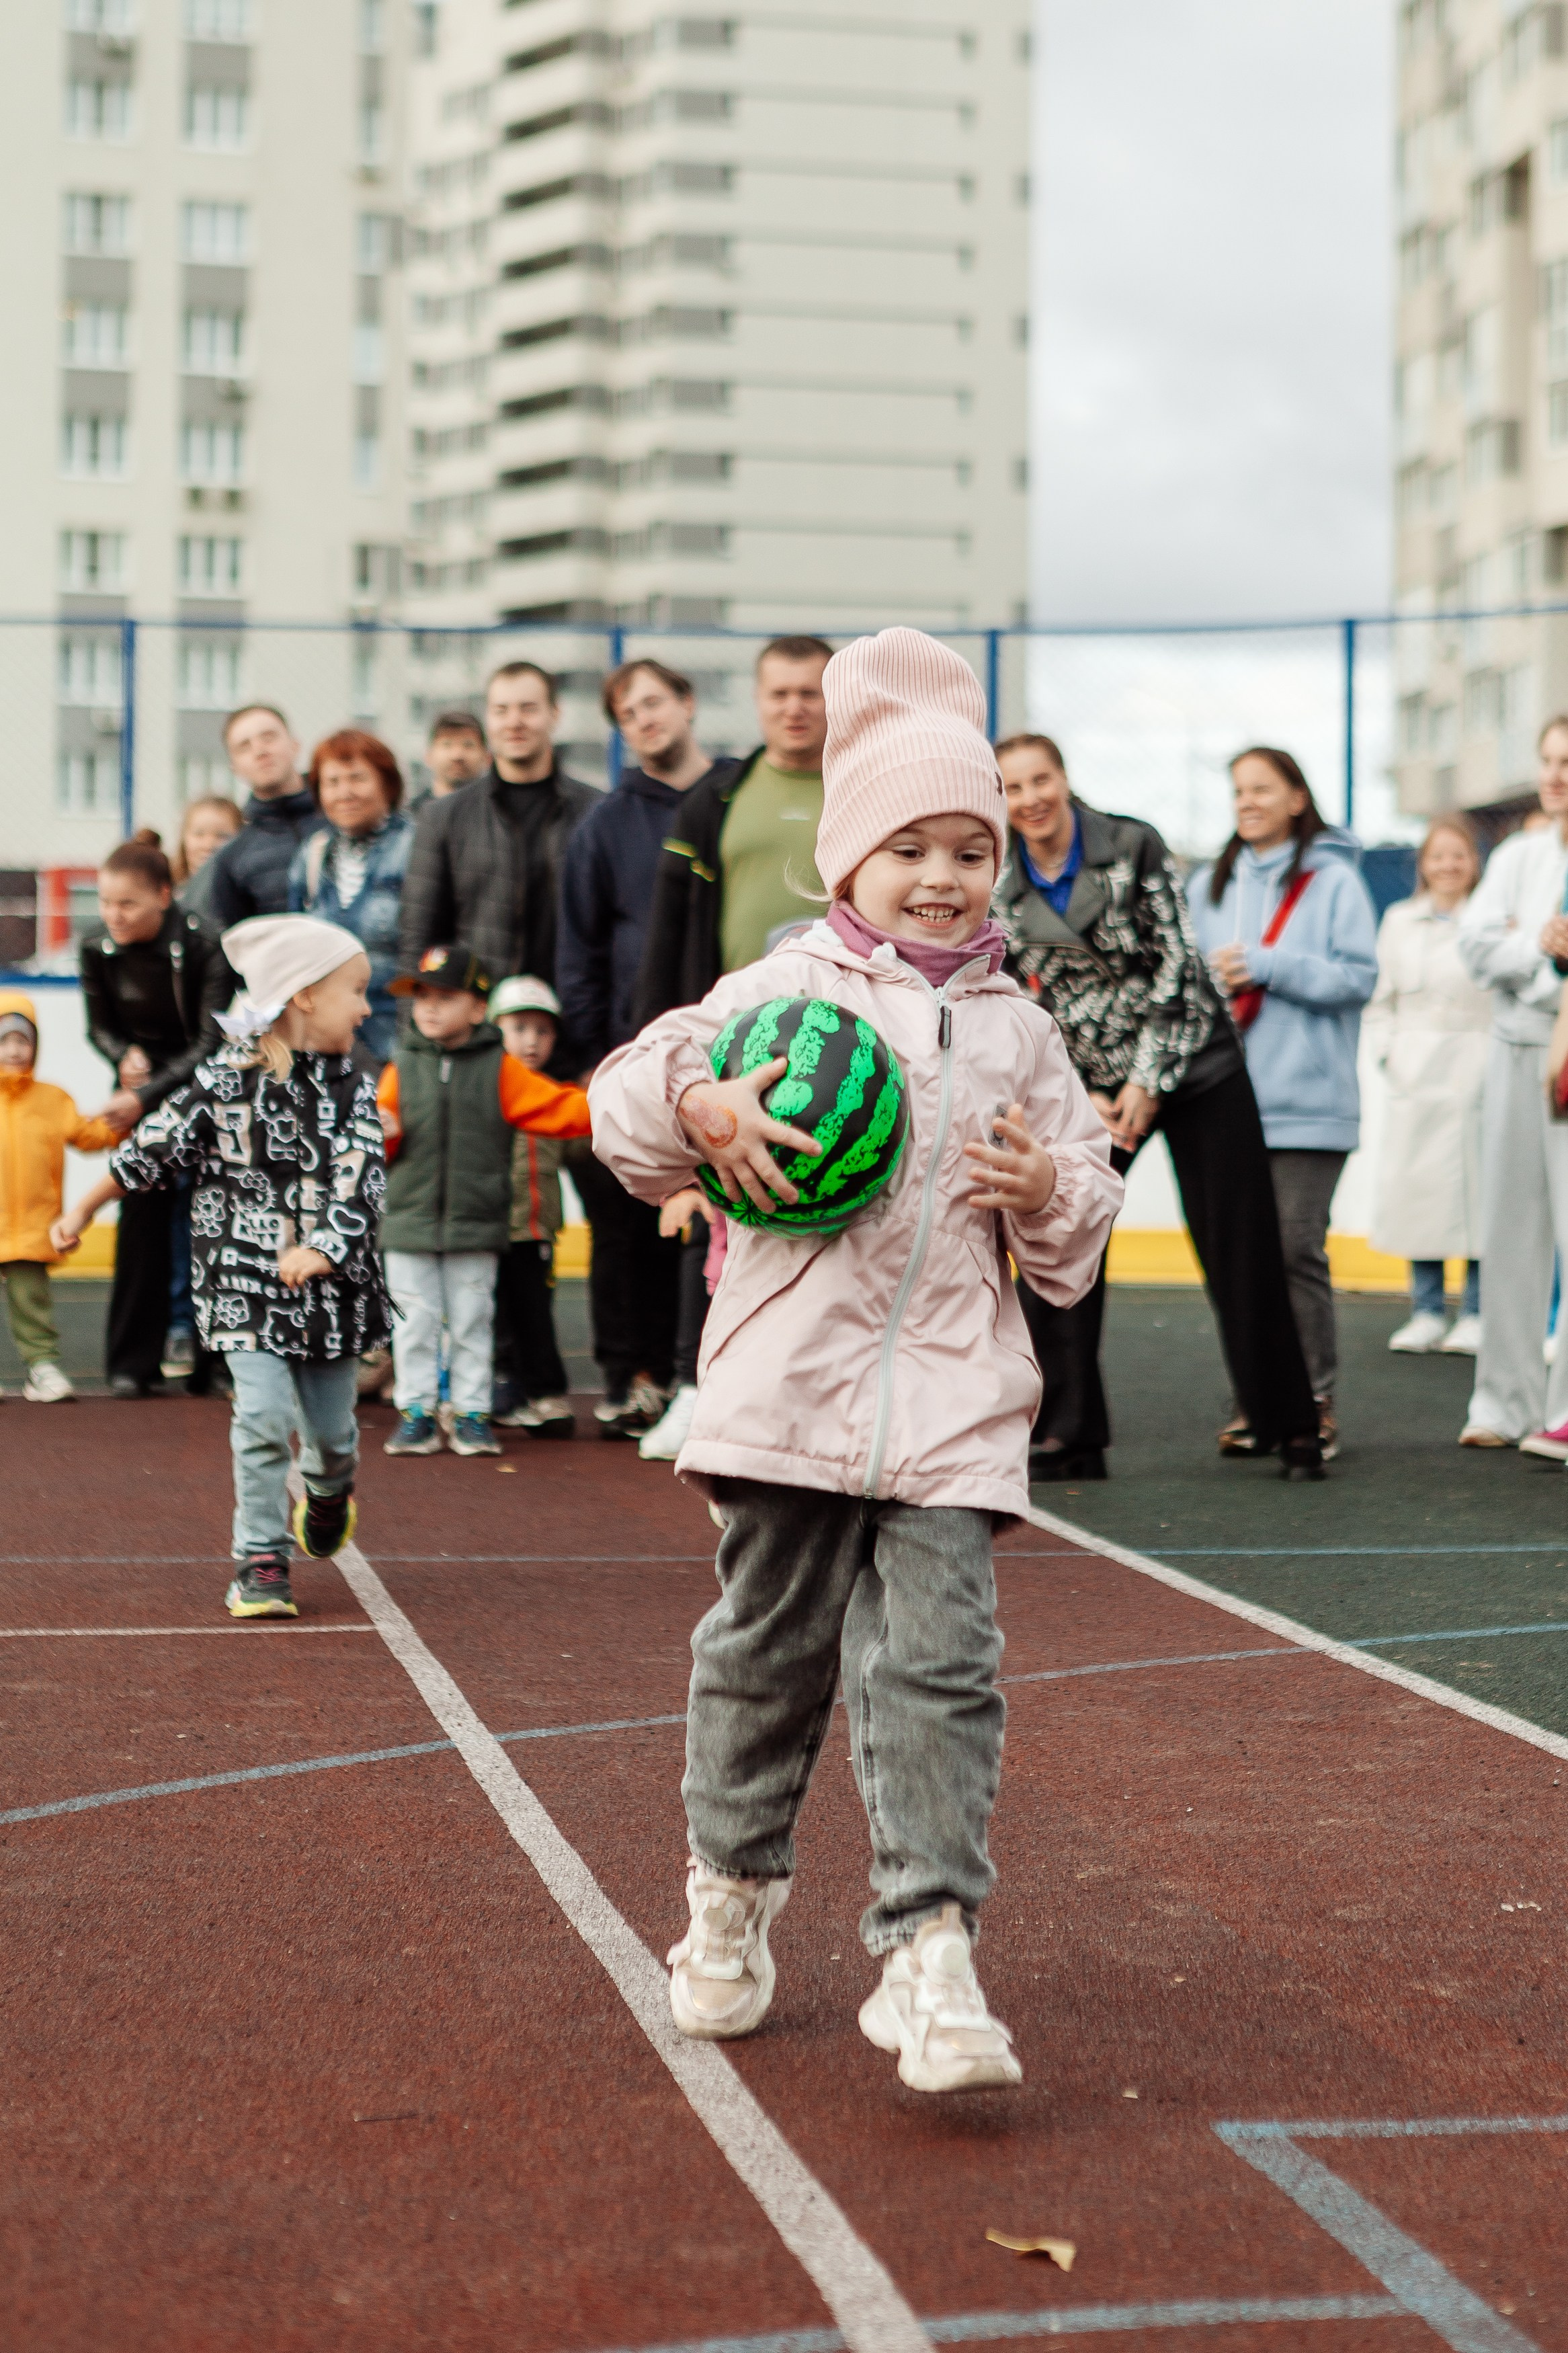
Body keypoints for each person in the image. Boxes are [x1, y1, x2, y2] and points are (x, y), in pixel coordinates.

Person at [589, 627, 1122, 2095]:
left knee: (939, 1670)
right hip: (782, 1401)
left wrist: (1048, 1196)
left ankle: (928, 1947)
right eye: (908, 847)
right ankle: (729, 1898)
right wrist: (701, 1112)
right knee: (762, 1662)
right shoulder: (782, 995)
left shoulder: (1021, 1032)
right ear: (846, 861)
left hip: (952, 1405)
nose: (943, 874)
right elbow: (622, 1102)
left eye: (969, 846)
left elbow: (1083, 1214)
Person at [994, 733, 1324, 1478]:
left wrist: (1144, 1082)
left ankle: (1290, 1426)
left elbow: (1177, 966)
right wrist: (1085, 1091)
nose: (1030, 798)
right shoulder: (999, 879)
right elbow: (1021, 1001)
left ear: (1063, 777)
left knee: (1241, 1246)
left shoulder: (1132, 845)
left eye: (1040, 779)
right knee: (1061, 1234)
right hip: (1094, 1085)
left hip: (1194, 1063)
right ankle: (1069, 1435)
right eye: (1012, 788)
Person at [54, 918, 390, 1621]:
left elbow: (363, 1180)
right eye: (355, 990)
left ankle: (329, 1491)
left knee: (331, 1437)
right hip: (242, 1286)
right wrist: (83, 1207)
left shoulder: (356, 1088)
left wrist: (324, 1247)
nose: (366, 1006)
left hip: (330, 1293)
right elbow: (150, 1148)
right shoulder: (224, 1081)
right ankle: (261, 1557)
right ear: (302, 996)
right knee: (262, 1416)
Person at [630, 637, 834, 1458]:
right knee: (715, 1204)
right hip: (733, 1040)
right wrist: (661, 1038)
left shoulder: (866, 788)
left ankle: (812, 1401)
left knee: (826, 1211)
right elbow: (671, 931)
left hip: (841, 1038)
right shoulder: (717, 796)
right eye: (780, 692)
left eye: (811, 692)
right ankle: (692, 1385)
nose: (795, 706)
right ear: (756, 700)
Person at [558, 658, 744, 1442]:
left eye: (654, 702)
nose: (643, 718)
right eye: (627, 711)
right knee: (623, 1211)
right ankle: (632, 1373)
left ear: (687, 704)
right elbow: (581, 948)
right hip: (637, 1053)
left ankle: (714, 1379)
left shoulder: (737, 797)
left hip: (737, 1051)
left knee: (720, 1217)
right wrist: (604, 1056)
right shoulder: (605, 824)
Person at [1189, 748, 1379, 1463]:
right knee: (1241, 1258)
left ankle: (1313, 1400)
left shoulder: (1333, 881)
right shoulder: (1205, 884)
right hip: (1223, 1102)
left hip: (1309, 1104)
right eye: (1237, 789)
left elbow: (1357, 977)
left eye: (1261, 788)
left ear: (1297, 797)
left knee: (1294, 1248)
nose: (1246, 801)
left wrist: (1267, 963)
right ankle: (1259, 1398)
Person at [376, 945, 591, 1460]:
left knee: (474, 1319)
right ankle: (417, 1414)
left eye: (444, 997)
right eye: (422, 996)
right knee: (413, 1322)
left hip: (476, 1221)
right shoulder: (401, 1065)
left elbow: (559, 1109)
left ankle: (472, 1413)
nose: (428, 1007)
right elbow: (377, 1140)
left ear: (477, 1009)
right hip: (408, 1222)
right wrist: (382, 1134)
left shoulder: (500, 1068)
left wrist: (614, 1102)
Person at [80, 832, 237, 1396]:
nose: (112, 916)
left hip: (204, 1088)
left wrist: (148, 1096)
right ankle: (131, 1363)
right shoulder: (95, 947)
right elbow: (97, 1025)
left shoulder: (205, 944)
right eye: (105, 902)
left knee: (212, 1220)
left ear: (165, 895)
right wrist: (124, 1055)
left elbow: (212, 1042)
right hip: (138, 1089)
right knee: (140, 1218)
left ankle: (214, 1363)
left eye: (127, 904)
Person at [1456, 714, 1568, 1446]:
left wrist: (1529, 965)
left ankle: (1559, 1412)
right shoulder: (1516, 854)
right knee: (1508, 1227)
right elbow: (1473, 943)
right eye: (1549, 761)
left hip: (1565, 1059)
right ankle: (1502, 1402)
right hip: (1511, 1052)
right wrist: (1541, 956)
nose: (1556, 775)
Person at [1366, 819, 1489, 1357]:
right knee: (1422, 1194)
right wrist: (1390, 1054)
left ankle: (1478, 1312)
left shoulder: (1490, 921)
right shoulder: (1397, 920)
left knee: (1479, 1194)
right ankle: (1425, 1309)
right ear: (1422, 864)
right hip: (1416, 1074)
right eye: (1437, 856)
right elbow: (1381, 999)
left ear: (1474, 863)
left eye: (1458, 856)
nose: (1447, 866)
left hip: (1477, 1067)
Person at [399, 661, 599, 992]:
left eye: (528, 709)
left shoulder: (594, 812)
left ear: (555, 714)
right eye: (501, 710)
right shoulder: (444, 818)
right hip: (479, 1023)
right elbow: (417, 936)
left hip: (573, 1017)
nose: (514, 722)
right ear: (488, 720)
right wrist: (421, 1035)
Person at [0, 992, 118, 1402]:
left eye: (23, 1041)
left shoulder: (52, 1100)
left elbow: (89, 1135)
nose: (15, 1050)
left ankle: (41, 1366)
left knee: (32, 1303)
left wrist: (120, 1126)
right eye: (5, 1041)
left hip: (33, 1229)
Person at [490, 973, 583, 1435]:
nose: (532, 1040)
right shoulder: (486, 1088)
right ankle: (504, 1384)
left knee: (534, 1309)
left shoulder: (553, 1094)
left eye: (542, 1031)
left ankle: (544, 1392)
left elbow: (574, 1147)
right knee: (493, 1310)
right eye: (520, 1028)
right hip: (491, 1225)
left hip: (538, 1226)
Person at [288, 730, 414, 1066]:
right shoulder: (312, 855)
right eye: (332, 782)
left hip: (398, 1045)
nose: (345, 793)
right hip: (327, 1048)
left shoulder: (417, 849)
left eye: (357, 778)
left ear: (387, 785)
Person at [205, 706, 325, 927]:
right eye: (244, 747)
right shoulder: (233, 858)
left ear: (295, 745)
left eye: (269, 737)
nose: (260, 751)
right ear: (235, 767)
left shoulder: (343, 821)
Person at [171, 796, 243, 921]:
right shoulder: (170, 892)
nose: (208, 845)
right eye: (199, 834)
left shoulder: (242, 898)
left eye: (222, 836)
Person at [424, 709, 489, 798]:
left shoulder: (502, 809)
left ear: (487, 757)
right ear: (428, 756)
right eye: (447, 744)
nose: (457, 755)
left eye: (468, 745)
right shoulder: (413, 811)